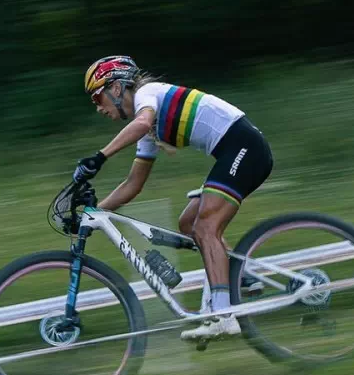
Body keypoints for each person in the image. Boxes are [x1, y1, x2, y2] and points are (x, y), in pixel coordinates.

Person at [71, 55, 274, 341]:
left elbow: (140, 124)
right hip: (236, 152)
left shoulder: (147, 96)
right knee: (189, 224)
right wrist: (91, 216)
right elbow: (133, 184)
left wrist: (100, 157)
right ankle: (241, 276)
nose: (97, 107)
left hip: (246, 149)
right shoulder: (148, 126)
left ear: (116, 88)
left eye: (96, 97)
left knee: (206, 228)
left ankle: (224, 315)